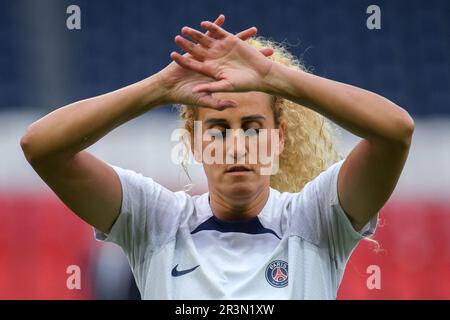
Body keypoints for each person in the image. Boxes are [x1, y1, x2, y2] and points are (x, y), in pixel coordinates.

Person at [20, 14, 414, 299]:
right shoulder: (156, 221)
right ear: (194, 142)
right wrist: (158, 88)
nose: (238, 144)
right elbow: (41, 147)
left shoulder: (313, 220)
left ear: (279, 140)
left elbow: (395, 132)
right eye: (219, 130)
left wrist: (278, 79)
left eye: (254, 128)